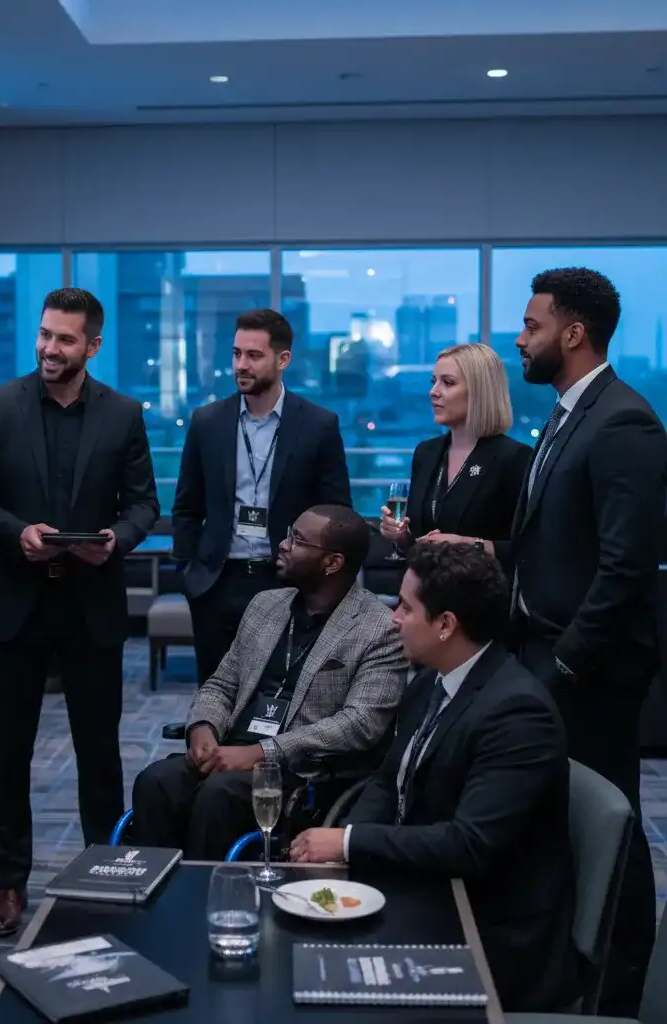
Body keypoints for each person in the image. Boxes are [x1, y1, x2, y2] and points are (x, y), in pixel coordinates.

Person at [290, 543, 580, 1014]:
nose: (392, 619)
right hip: (425, 887)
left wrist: (348, 845)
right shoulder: (431, 678)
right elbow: (386, 782)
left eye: (406, 607)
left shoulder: (517, 713)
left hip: (487, 930)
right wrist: (343, 847)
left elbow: (469, 845)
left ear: (446, 625)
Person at [0, 287, 159, 937]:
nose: (49, 347)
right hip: (14, 602)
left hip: (90, 605)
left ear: (92, 346)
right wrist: (17, 532)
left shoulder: (124, 413)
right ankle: (9, 884)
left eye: (65, 339)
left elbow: (143, 505)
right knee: (8, 758)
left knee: (100, 755)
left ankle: (103, 872)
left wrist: (115, 541)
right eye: (45, 334)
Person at [508, 267, 666, 1016]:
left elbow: (626, 567)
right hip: (545, 650)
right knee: (565, 822)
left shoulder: (624, 420)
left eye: (533, 326)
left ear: (573, 334)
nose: (521, 337)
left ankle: (621, 992)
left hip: (590, 670)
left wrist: (565, 661)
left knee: (612, 826)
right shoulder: (568, 414)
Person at [132, 505, 405, 860]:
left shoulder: (378, 627)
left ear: (332, 563)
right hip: (229, 750)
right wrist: (202, 728)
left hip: (301, 771)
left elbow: (360, 724)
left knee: (220, 794)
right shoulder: (266, 605)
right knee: (156, 781)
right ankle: (157, 898)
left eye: (298, 540)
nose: (282, 544)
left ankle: (207, 899)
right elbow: (222, 684)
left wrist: (261, 753)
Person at [172, 308, 352, 687]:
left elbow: (338, 514)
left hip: (288, 581)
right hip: (218, 584)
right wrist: (190, 576)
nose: (241, 364)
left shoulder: (319, 425)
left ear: (283, 359)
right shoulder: (207, 422)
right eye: (237, 354)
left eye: (253, 355)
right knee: (215, 696)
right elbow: (187, 507)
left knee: (279, 698)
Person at [379, 343, 530, 567]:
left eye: (447, 383)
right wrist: (400, 536)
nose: (433, 391)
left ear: (480, 392)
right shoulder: (426, 452)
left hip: (481, 594)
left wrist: (470, 545)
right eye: (434, 381)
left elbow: (529, 549)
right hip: (423, 591)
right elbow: (419, 542)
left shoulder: (514, 457)